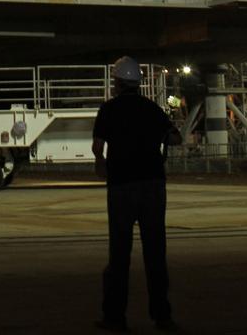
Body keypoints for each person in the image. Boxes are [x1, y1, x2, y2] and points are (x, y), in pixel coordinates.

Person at [92, 56, 181, 333]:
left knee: (119, 254)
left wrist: (102, 165)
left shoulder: (108, 109)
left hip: (121, 186)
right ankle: (162, 315)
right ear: (139, 83)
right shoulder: (152, 109)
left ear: (117, 82)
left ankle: (115, 317)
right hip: (153, 185)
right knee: (155, 251)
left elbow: (97, 147)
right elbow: (176, 138)